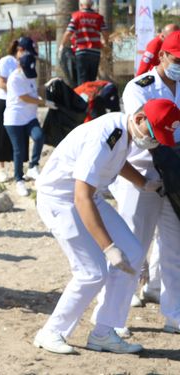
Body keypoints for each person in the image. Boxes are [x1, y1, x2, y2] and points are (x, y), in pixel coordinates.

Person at [32, 99, 179, 355]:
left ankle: (104, 332)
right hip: (61, 198)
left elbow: (117, 162)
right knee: (92, 271)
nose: (153, 142)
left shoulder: (124, 134)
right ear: (140, 118)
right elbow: (81, 197)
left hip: (89, 196)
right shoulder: (106, 135)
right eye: (152, 134)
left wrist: (143, 183)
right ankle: (51, 332)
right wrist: (108, 247)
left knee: (133, 254)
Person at [109, 31, 180, 335]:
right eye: (178, 59)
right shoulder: (140, 88)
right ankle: (113, 316)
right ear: (163, 56)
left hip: (176, 176)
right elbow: (143, 135)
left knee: (174, 246)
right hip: (142, 175)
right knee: (132, 247)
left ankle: (174, 313)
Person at [3, 53, 51, 197]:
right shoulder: (14, 78)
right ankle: (19, 179)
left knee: (39, 136)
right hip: (15, 120)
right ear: (20, 66)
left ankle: (33, 166)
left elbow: (34, 92)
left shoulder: (30, 75)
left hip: (30, 117)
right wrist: (43, 102)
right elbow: (24, 97)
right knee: (19, 150)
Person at [0, 38, 36, 183]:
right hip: (4, 101)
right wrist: (17, 90)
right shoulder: (6, 61)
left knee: (21, 140)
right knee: (1, 136)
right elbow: (0, 82)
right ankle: (2, 169)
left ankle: (21, 170)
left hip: (21, 105)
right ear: (20, 49)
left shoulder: (28, 62)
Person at [59, 0, 109, 86]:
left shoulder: (77, 16)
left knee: (82, 80)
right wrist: (105, 43)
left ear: (81, 5)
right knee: (92, 80)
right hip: (95, 52)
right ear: (92, 5)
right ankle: (90, 97)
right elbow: (105, 33)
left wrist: (62, 45)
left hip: (82, 52)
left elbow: (68, 33)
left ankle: (82, 98)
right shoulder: (98, 17)